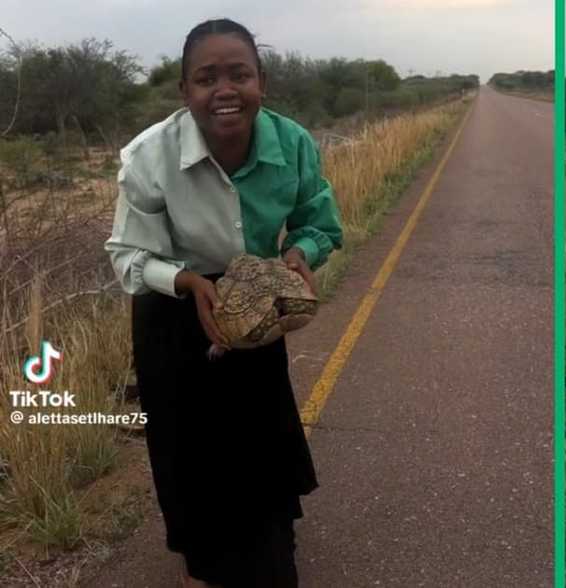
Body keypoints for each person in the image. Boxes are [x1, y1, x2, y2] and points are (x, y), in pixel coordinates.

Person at [105, 18, 343, 587]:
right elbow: (127, 256)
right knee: (187, 444)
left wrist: (298, 254)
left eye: (239, 74)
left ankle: (271, 540)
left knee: (261, 429)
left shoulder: (293, 143)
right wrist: (188, 282)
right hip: (172, 304)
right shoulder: (149, 156)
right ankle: (207, 557)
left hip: (255, 303)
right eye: (206, 78)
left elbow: (321, 224)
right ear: (184, 92)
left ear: (261, 80)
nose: (224, 90)